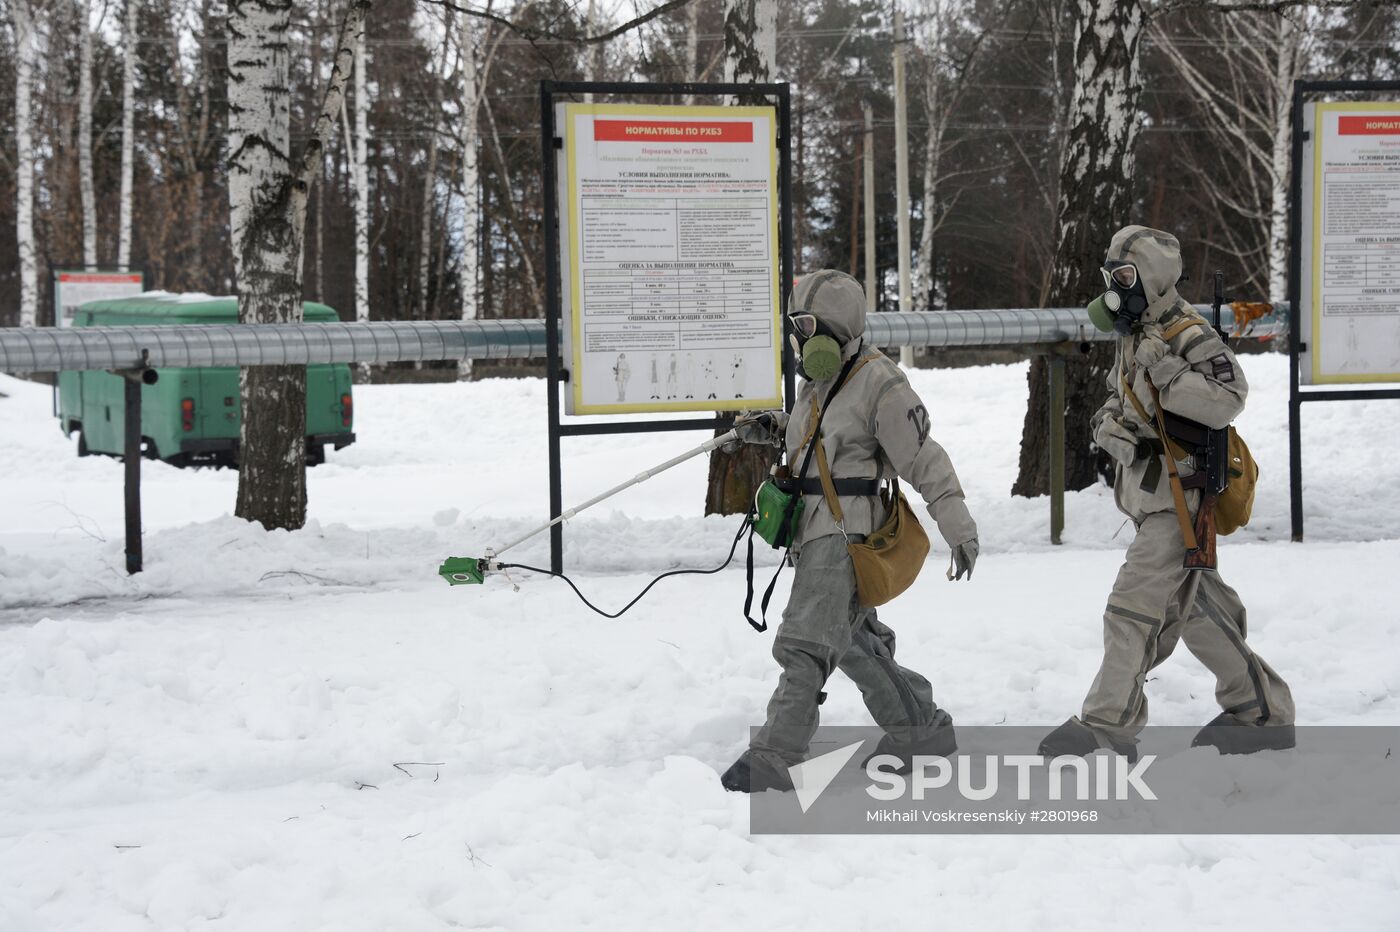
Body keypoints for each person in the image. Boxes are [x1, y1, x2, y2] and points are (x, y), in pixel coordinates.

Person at [1039, 226, 1295, 760]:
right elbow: (1123, 395)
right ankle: (1261, 709)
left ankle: (1108, 725)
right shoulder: (1135, 332)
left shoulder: (1186, 333)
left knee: (1131, 608)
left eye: (1126, 277)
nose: (1115, 288)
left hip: (1181, 497)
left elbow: (1227, 400)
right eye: (1111, 277)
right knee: (1198, 608)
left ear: (1153, 279)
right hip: (1150, 492)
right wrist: (1110, 424)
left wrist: (1168, 367)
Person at [719, 269, 980, 793]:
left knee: (804, 643)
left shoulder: (881, 382)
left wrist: (958, 526)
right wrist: (773, 427)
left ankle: (776, 754)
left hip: (844, 537)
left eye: (807, 325)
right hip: (815, 532)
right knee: (855, 642)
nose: (799, 338)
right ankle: (921, 731)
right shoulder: (822, 383)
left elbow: (924, 457)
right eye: (794, 325)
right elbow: (820, 440)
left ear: (837, 326)